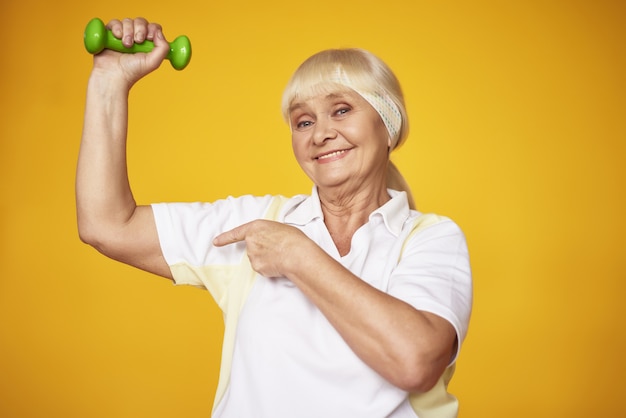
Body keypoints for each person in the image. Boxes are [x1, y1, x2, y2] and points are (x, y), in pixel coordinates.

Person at [76, 17, 472, 418]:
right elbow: (108, 225)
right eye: (304, 121)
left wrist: (298, 256)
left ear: (389, 126)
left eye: (341, 109)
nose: (320, 134)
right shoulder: (257, 222)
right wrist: (109, 82)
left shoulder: (430, 239)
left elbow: (415, 362)